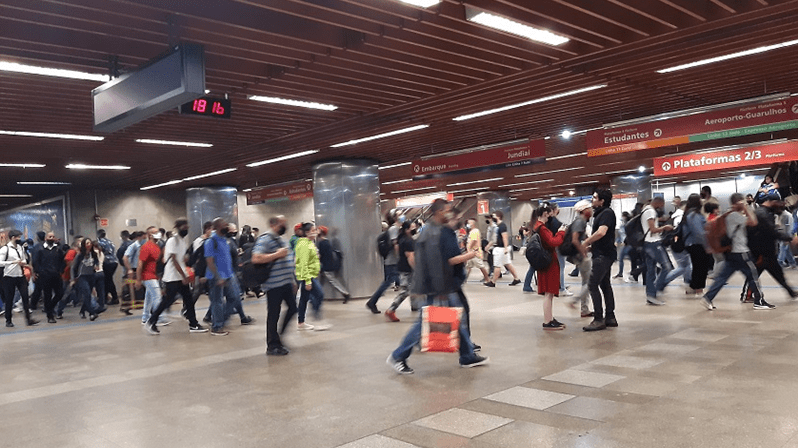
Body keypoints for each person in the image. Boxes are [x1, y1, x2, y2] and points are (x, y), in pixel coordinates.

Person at [386, 198, 488, 374]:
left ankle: (466, 355)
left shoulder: (438, 230)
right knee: (425, 322)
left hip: (445, 284)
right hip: (439, 287)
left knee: (458, 317)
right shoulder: (434, 232)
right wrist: (440, 290)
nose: (450, 213)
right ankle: (398, 356)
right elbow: (436, 263)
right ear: (439, 212)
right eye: (447, 210)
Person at [701, 193, 773, 310]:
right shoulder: (734, 215)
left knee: (722, 278)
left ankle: (708, 297)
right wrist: (746, 207)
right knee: (753, 275)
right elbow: (753, 222)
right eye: (743, 201)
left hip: (732, 252)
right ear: (738, 202)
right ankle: (759, 301)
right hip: (741, 252)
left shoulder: (728, 215)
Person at [146, 218, 207, 335]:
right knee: (167, 301)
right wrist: (184, 275)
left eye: (187, 227)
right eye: (184, 227)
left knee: (188, 300)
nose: (186, 229)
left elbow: (181, 259)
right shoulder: (172, 241)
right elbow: (174, 260)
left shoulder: (181, 240)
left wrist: (186, 267)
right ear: (178, 227)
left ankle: (193, 324)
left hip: (179, 276)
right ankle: (151, 320)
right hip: (173, 277)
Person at [251, 216, 297, 356]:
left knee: (293, 308)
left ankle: (279, 336)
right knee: (273, 314)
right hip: (273, 285)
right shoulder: (265, 239)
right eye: (282, 224)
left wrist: (292, 280)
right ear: (273, 224)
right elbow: (256, 258)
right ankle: (272, 345)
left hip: (286, 283)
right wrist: (276, 254)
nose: (285, 226)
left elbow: (288, 261)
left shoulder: (282, 239)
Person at [741, 198, 798, 302]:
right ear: (771, 201)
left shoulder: (766, 212)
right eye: (778, 202)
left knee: (777, 273)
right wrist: (789, 238)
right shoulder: (762, 213)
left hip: (766, 251)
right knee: (755, 275)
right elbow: (770, 231)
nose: (780, 206)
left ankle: (790, 292)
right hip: (761, 252)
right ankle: (746, 295)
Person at [582, 189, 618, 331]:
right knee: (604, 284)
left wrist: (586, 243)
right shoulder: (601, 214)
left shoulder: (606, 213)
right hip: (603, 253)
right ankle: (610, 317)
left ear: (602, 200)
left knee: (592, 284)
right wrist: (592, 247)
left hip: (604, 255)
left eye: (595, 197)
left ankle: (598, 319)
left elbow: (601, 232)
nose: (592, 199)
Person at [204, 218, 246, 335]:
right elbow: (210, 261)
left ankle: (223, 319)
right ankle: (217, 326)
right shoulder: (211, 241)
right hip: (216, 277)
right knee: (217, 301)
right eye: (224, 225)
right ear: (217, 227)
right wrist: (218, 277)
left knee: (234, 297)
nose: (226, 227)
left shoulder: (224, 240)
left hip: (228, 274)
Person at [530, 202, 568, 330]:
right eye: (548, 215)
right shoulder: (542, 228)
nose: (549, 218)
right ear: (545, 214)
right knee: (549, 292)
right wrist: (561, 232)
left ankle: (550, 317)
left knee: (549, 292)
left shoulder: (536, 227)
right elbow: (554, 242)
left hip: (544, 262)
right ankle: (547, 320)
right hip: (549, 262)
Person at [294, 222, 330, 331]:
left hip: (310, 275)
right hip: (307, 276)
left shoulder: (309, 243)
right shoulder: (304, 244)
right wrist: (308, 280)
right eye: (313, 230)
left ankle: (301, 322)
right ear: (307, 232)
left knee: (304, 299)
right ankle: (316, 319)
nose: (316, 232)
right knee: (319, 295)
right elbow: (303, 263)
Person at [0, 230, 39, 327]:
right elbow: (0, 262)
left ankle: (28, 319)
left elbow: (24, 259)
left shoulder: (20, 248)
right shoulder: (5, 249)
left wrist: (23, 262)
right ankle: (8, 320)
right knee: (10, 298)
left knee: (25, 297)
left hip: (20, 275)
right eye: (18, 237)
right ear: (13, 237)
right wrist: (12, 262)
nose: (19, 239)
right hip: (9, 276)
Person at [641, 197, 674, 306]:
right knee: (667, 266)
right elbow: (653, 229)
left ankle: (651, 296)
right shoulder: (650, 211)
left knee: (651, 271)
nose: (662, 207)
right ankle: (658, 288)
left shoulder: (645, 210)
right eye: (662, 204)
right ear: (658, 203)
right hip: (653, 243)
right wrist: (665, 227)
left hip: (647, 243)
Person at [366, 214, 400, 313]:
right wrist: (400, 258)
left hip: (390, 261)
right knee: (387, 283)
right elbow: (395, 245)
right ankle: (372, 302)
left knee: (388, 282)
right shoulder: (394, 229)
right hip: (392, 261)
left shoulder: (393, 228)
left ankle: (372, 302)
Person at [135, 227, 169, 327]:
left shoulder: (157, 246)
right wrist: (138, 279)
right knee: (157, 297)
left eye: (157, 231)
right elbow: (140, 264)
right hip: (147, 276)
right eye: (155, 232)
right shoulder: (146, 247)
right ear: (150, 235)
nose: (158, 233)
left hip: (153, 275)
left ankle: (145, 317)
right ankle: (159, 318)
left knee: (149, 297)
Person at [567, 200, 594, 318]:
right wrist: (583, 251)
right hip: (581, 257)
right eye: (590, 209)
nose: (592, 211)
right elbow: (574, 240)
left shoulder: (580, 222)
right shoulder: (580, 221)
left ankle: (584, 309)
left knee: (585, 282)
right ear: (585, 210)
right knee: (589, 282)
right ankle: (575, 301)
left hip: (578, 256)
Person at [385, 220, 416, 322]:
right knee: (405, 291)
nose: (414, 230)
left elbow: (398, 251)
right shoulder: (408, 241)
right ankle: (391, 309)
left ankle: (417, 307)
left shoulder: (401, 238)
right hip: (407, 269)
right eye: (412, 228)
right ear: (407, 229)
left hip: (402, 267)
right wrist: (416, 268)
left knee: (411, 289)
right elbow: (410, 257)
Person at [683, 194, 712, 295]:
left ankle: (693, 287)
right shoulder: (694, 215)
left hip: (693, 244)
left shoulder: (689, 213)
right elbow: (699, 233)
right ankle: (698, 288)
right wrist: (707, 246)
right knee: (701, 267)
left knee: (697, 266)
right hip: (697, 244)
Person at [32, 232, 64, 323]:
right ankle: (50, 316)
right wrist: (38, 271)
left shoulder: (57, 248)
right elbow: (36, 261)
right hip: (45, 275)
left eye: (53, 237)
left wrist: (60, 270)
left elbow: (62, 260)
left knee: (60, 293)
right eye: (50, 236)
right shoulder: (40, 248)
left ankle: (50, 307)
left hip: (56, 275)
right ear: (46, 238)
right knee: (47, 295)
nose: (52, 238)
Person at [484, 210, 521, 287]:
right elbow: (494, 238)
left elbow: (505, 237)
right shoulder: (497, 226)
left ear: (498, 216)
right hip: (500, 248)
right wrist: (489, 245)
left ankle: (493, 282)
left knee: (497, 265)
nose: (492, 218)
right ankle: (516, 279)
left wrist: (505, 247)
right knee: (508, 264)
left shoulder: (502, 226)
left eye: (493, 216)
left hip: (501, 249)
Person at [70, 238, 103, 321]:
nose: (89, 245)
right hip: (82, 276)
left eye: (90, 243)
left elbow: (96, 262)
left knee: (87, 295)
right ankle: (92, 313)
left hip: (91, 276)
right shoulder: (80, 255)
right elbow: (74, 267)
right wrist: (73, 278)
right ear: (84, 245)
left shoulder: (94, 254)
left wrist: (96, 265)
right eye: (87, 243)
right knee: (87, 293)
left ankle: (82, 311)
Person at [316, 226, 350, 303]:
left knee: (333, 281)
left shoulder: (322, 243)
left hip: (326, 266)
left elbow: (321, 255)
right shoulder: (326, 241)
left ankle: (345, 293)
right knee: (321, 282)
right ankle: (317, 296)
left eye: (318, 230)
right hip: (327, 265)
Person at [547, 204, 572, 297]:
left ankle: (558, 286)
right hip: (558, 246)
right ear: (554, 210)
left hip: (551, 246)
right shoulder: (555, 222)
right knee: (561, 267)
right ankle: (561, 288)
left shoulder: (547, 222)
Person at [96, 229, 119, 306]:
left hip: (107, 263)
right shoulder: (110, 241)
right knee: (108, 280)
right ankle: (108, 297)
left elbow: (98, 252)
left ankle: (112, 297)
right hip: (114, 262)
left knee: (107, 280)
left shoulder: (100, 242)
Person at [464, 218, 490, 284]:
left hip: (475, 252)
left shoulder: (475, 231)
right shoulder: (472, 231)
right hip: (471, 252)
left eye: (469, 223)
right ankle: (464, 280)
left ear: (473, 224)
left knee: (481, 266)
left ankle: (487, 279)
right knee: (468, 266)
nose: (468, 224)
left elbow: (473, 241)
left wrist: (468, 249)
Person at [614, 212, 630, 278]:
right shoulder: (622, 225)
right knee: (620, 258)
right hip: (623, 244)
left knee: (633, 259)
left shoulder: (629, 224)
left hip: (628, 243)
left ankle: (635, 272)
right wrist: (617, 241)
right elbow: (620, 235)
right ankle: (620, 273)